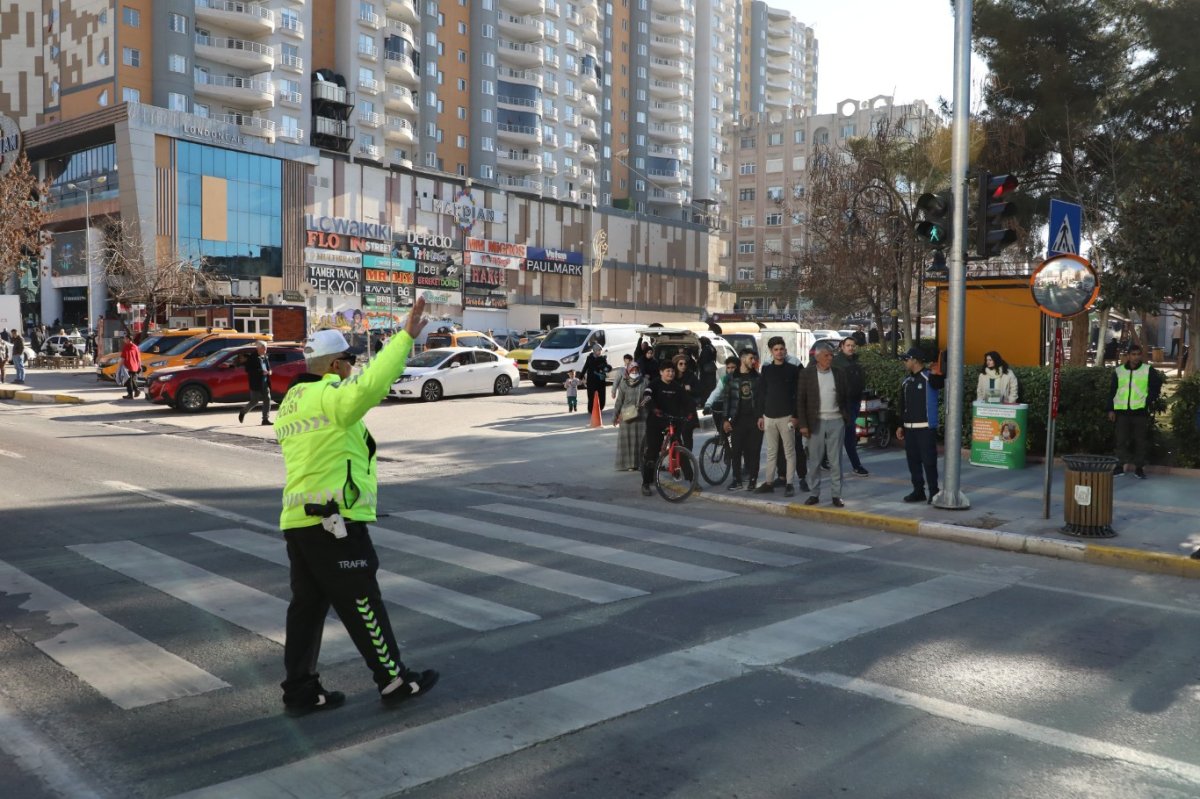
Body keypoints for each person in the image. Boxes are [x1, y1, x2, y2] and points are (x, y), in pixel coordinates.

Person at [274, 296, 438, 716]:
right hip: (333, 522)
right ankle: (394, 680)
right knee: (362, 598)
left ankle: (301, 691)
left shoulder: (291, 404)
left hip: (299, 521)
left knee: (307, 610)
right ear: (333, 366)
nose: (351, 369)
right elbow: (371, 385)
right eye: (348, 361)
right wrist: (404, 338)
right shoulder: (329, 397)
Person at [796, 341, 852, 507]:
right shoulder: (807, 374)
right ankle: (814, 493)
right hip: (816, 422)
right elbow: (801, 401)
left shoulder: (839, 373)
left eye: (831, 355)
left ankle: (836, 495)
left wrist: (845, 417)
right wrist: (803, 425)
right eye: (826, 355)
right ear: (818, 356)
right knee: (815, 461)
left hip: (836, 421)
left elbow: (845, 396)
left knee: (836, 461)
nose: (830, 358)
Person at [640, 361, 696, 496]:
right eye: (667, 371)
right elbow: (646, 397)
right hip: (656, 421)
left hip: (673, 421)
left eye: (672, 371)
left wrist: (690, 413)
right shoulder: (654, 384)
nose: (670, 373)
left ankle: (692, 480)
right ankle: (646, 483)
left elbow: (687, 401)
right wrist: (654, 409)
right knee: (652, 453)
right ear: (661, 372)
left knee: (681, 450)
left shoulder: (677, 387)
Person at [1108, 343, 1163, 479]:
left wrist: (1148, 400)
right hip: (1122, 412)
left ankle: (1139, 468)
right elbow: (1112, 391)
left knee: (1140, 441)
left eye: (1138, 354)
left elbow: (1156, 386)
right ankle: (1120, 466)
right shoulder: (1119, 371)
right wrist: (1110, 409)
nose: (1136, 357)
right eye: (1133, 354)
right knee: (1121, 441)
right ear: (1128, 355)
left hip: (1140, 412)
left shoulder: (1147, 370)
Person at [896, 347, 944, 503]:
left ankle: (934, 491)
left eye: (906, 359)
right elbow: (902, 405)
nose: (905, 362)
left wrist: (939, 371)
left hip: (925, 427)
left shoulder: (929, 377)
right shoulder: (906, 381)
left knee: (929, 462)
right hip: (909, 428)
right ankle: (918, 491)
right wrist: (900, 425)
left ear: (915, 360)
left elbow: (940, 383)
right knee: (913, 462)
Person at [754, 336, 800, 497]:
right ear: (771, 352)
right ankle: (769, 483)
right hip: (769, 417)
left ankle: (789, 484)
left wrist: (796, 416)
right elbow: (762, 394)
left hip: (786, 417)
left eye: (781, 349)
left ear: (785, 350)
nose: (779, 352)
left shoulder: (793, 370)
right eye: (776, 349)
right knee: (771, 452)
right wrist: (761, 416)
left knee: (789, 452)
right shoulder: (766, 370)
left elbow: (798, 395)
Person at [718, 348, 762, 491]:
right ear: (743, 359)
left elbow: (762, 400)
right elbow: (727, 400)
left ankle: (753, 480)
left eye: (754, 359)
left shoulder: (758, 377)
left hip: (755, 420)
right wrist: (725, 420)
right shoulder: (731, 378)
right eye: (751, 358)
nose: (753, 361)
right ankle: (736, 480)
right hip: (737, 420)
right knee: (735, 452)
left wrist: (762, 417)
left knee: (754, 451)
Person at [833, 337, 870, 477]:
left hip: (854, 402)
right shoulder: (837, 362)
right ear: (842, 346)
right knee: (847, 435)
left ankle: (825, 459)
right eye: (848, 345)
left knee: (847, 435)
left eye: (852, 345)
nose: (850, 348)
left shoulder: (857, 360)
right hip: (842, 404)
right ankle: (856, 465)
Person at [611, 363, 646, 471]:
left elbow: (650, 397)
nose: (634, 372)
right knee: (628, 442)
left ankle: (640, 464)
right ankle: (629, 465)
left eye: (636, 370)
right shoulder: (623, 383)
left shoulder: (645, 382)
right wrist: (615, 416)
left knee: (641, 442)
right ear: (628, 371)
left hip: (642, 417)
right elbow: (619, 401)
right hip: (627, 417)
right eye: (632, 370)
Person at [238, 341, 273, 425]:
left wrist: (270, 371)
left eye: (266, 348)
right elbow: (248, 370)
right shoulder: (252, 358)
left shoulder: (265, 356)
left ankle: (265, 419)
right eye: (263, 348)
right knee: (254, 401)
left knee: (267, 399)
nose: (265, 349)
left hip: (265, 382)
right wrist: (261, 372)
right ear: (258, 348)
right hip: (256, 383)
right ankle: (243, 412)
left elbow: (269, 368)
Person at [578, 343, 611, 417]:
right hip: (591, 380)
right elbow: (585, 367)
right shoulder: (589, 358)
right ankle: (591, 409)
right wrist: (581, 377)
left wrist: (607, 368)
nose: (599, 352)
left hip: (600, 380)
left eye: (600, 350)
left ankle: (600, 408)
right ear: (594, 350)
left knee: (601, 395)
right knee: (591, 395)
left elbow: (607, 368)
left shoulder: (602, 358)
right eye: (598, 350)